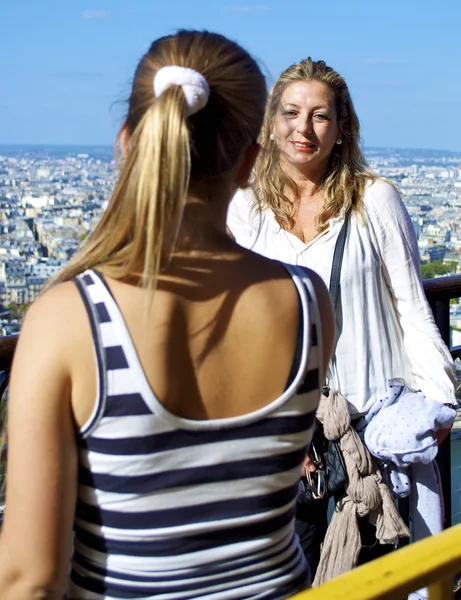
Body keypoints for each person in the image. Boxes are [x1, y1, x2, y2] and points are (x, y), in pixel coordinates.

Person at [0, 32, 335, 600]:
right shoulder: (306, 301)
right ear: (250, 164)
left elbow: (30, 577)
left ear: (128, 142)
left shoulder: (67, 320)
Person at [227, 57, 457, 578]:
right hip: (291, 434)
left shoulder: (375, 201)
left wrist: (439, 404)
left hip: (374, 430)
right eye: (290, 112)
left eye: (319, 115)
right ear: (270, 123)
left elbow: (410, 306)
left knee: (379, 572)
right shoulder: (245, 211)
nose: (302, 128)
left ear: (342, 126)